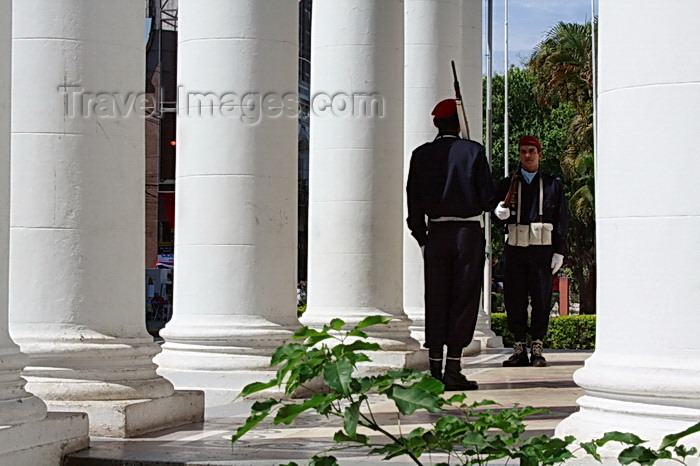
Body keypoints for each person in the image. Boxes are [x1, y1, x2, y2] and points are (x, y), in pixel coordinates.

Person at [406, 99, 497, 390]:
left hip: (437, 234)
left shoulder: (421, 155)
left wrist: (422, 238)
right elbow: (486, 200)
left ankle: (434, 370)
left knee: (436, 299)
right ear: (458, 124)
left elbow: (413, 201)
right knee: (463, 300)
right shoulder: (473, 152)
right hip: (468, 234)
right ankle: (453, 369)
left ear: (436, 124)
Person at [493, 135, 569, 367]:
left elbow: (562, 218)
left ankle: (537, 347)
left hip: (542, 252)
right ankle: (518, 348)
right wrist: (498, 213)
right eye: (524, 151)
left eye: (532, 151)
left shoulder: (552, 184)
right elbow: (495, 217)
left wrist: (560, 251)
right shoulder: (508, 185)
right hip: (515, 252)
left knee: (541, 299)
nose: (528, 155)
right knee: (514, 300)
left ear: (539, 155)